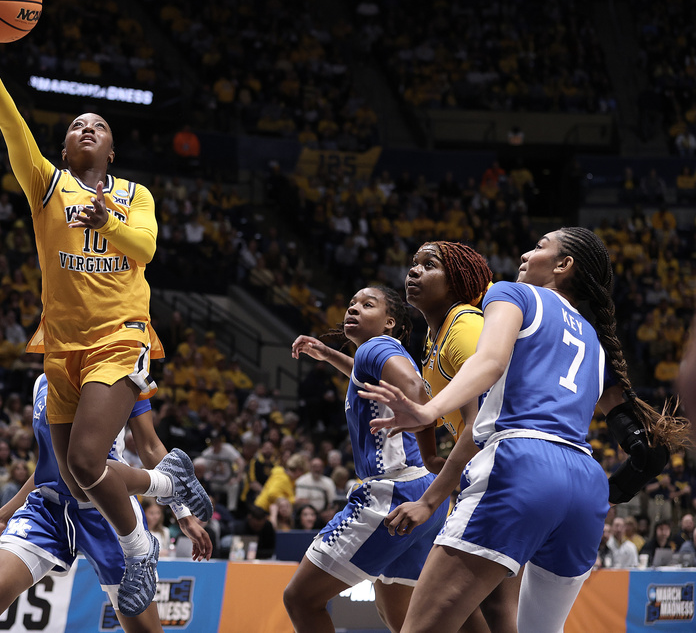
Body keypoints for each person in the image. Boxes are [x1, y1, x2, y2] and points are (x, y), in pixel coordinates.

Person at [0, 0, 206, 616]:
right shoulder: (45, 186)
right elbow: (10, 122)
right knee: (73, 473)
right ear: (65, 150)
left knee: (90, 458)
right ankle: (167, 484)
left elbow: (145, 249)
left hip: (121, 334)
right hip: (60, 344)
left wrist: (109, 224)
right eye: (75, 127)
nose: (85, 129)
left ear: (112, 150)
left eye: (98, 127)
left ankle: (138, 544)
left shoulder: (135, 193)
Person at [362, 227, 690, 633]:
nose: (523, 253)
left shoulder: (512, 294)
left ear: (563, 264)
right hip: (586, 489)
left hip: (521, 465)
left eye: (538, 246)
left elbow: (490, 361)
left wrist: (428, 409)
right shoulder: (595, 341)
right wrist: (620, 485)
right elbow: (643, 446)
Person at [0, 375, 212, 633]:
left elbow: (151, 445)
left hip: (106, 512)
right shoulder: (44, 379)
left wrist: (183, 513)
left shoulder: (120, 370)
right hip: (48, 508)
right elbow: (50, 462)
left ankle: (154, 510)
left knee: (144, 630)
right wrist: (1, 517)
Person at [284, 287, 449, 633]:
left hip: (392, 492)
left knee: (301, 599)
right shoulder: (375, 355)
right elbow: (367, 380)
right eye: (352, 303)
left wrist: (427, 435)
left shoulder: (375, 348)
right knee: (400, 620)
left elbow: (418, 393)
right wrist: (329, 355)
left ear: (389, 322)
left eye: (367, 304)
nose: (354, 309)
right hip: (423, 491)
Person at [387, 241, 517, 631]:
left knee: (475, 611)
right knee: (484, 612)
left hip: (504, 470)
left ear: (458, 280)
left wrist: (430, 500)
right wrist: (429, 457)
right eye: (413, 264)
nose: (414, 271)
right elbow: (431, 403)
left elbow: (481, 424)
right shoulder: (435, 335)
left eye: (429, 265)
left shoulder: (465, 326)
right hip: (490, 473)